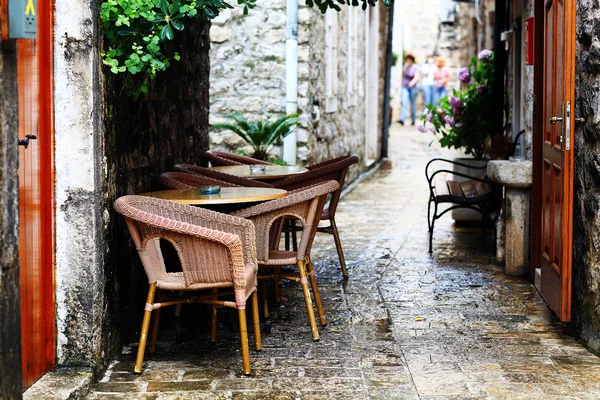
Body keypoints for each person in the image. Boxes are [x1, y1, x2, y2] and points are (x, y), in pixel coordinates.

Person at [399, 54, 419, 125]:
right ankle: (402, 119)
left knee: (412, 104)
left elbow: (416, 77)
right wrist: (403, 71)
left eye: (409, 59)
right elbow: (403, 76)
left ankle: (413, 119)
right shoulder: (406, 67)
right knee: (404, 102)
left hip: (413, 87)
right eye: (407, 59)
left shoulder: (415, 67)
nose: (408, 61)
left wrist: (412, 83)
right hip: (405, 86)